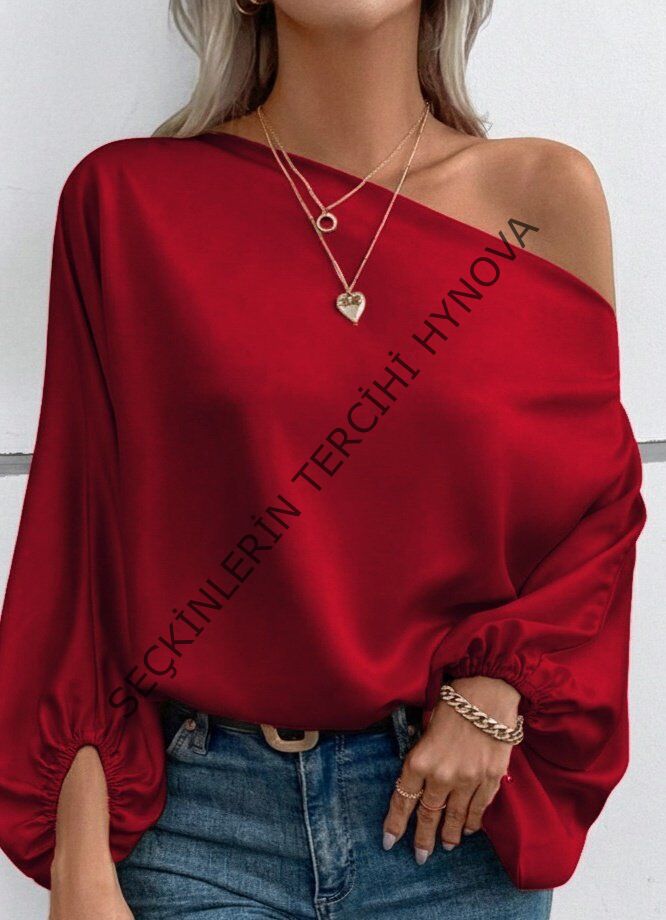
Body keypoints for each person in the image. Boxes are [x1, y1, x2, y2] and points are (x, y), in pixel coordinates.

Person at [0, 1, 647, 918]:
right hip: (195, 831)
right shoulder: (128, 202)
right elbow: (78, 549)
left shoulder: (541, 199)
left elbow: (596, 508)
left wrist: (501, 685)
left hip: (450, 826)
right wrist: (76, 855)